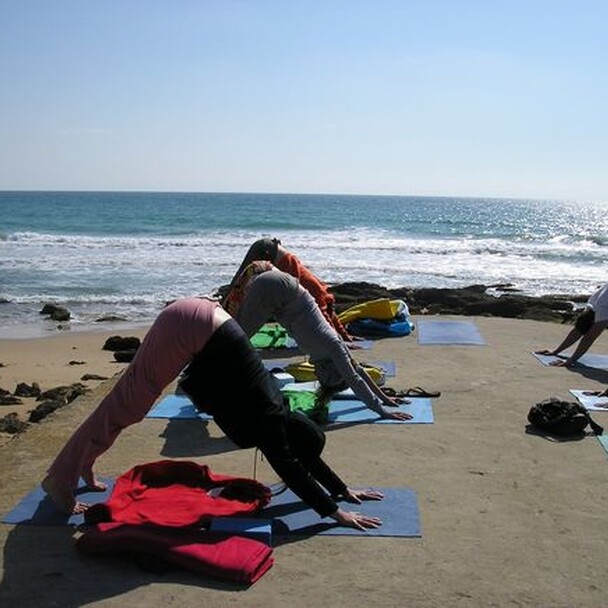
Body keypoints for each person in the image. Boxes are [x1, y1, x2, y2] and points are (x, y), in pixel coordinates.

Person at [41, 298, 385, 530]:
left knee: (128, 405)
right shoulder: (269, 422)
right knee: (127, 403)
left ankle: (85, 461)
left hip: (201, 321)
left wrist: (341, 489)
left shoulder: (283, 414)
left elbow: (303, 458)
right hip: (188, 326)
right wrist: (335, 512)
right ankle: (60, 480)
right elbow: (292, 467)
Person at [223, 262, 412, 421]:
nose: (318, 376)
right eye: (324, 378)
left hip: (279, 284)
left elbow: (358, 371)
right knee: (235, 341)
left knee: (232, 333)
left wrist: (386, 398)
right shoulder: (333, 346)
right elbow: (354, 378)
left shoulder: (328, 349)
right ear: (332, 372)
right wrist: (381, 410)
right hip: (276, 288)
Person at [224, 237, 356, 342]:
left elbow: (332, 319)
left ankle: (222, 316)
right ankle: (221, 320)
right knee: (239, 287)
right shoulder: (320, 296)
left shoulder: (321, 290)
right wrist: (338, 341)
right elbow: (325, 320)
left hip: (269, 248)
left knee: (239, 286)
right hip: (268, 250)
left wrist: (345, 337)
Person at [535, 283, 608, 367]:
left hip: (597, 305)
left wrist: (569, 359)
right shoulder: (602, 307)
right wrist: (567, 359)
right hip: (598, 306)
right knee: (583, 328)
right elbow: (587, 335)